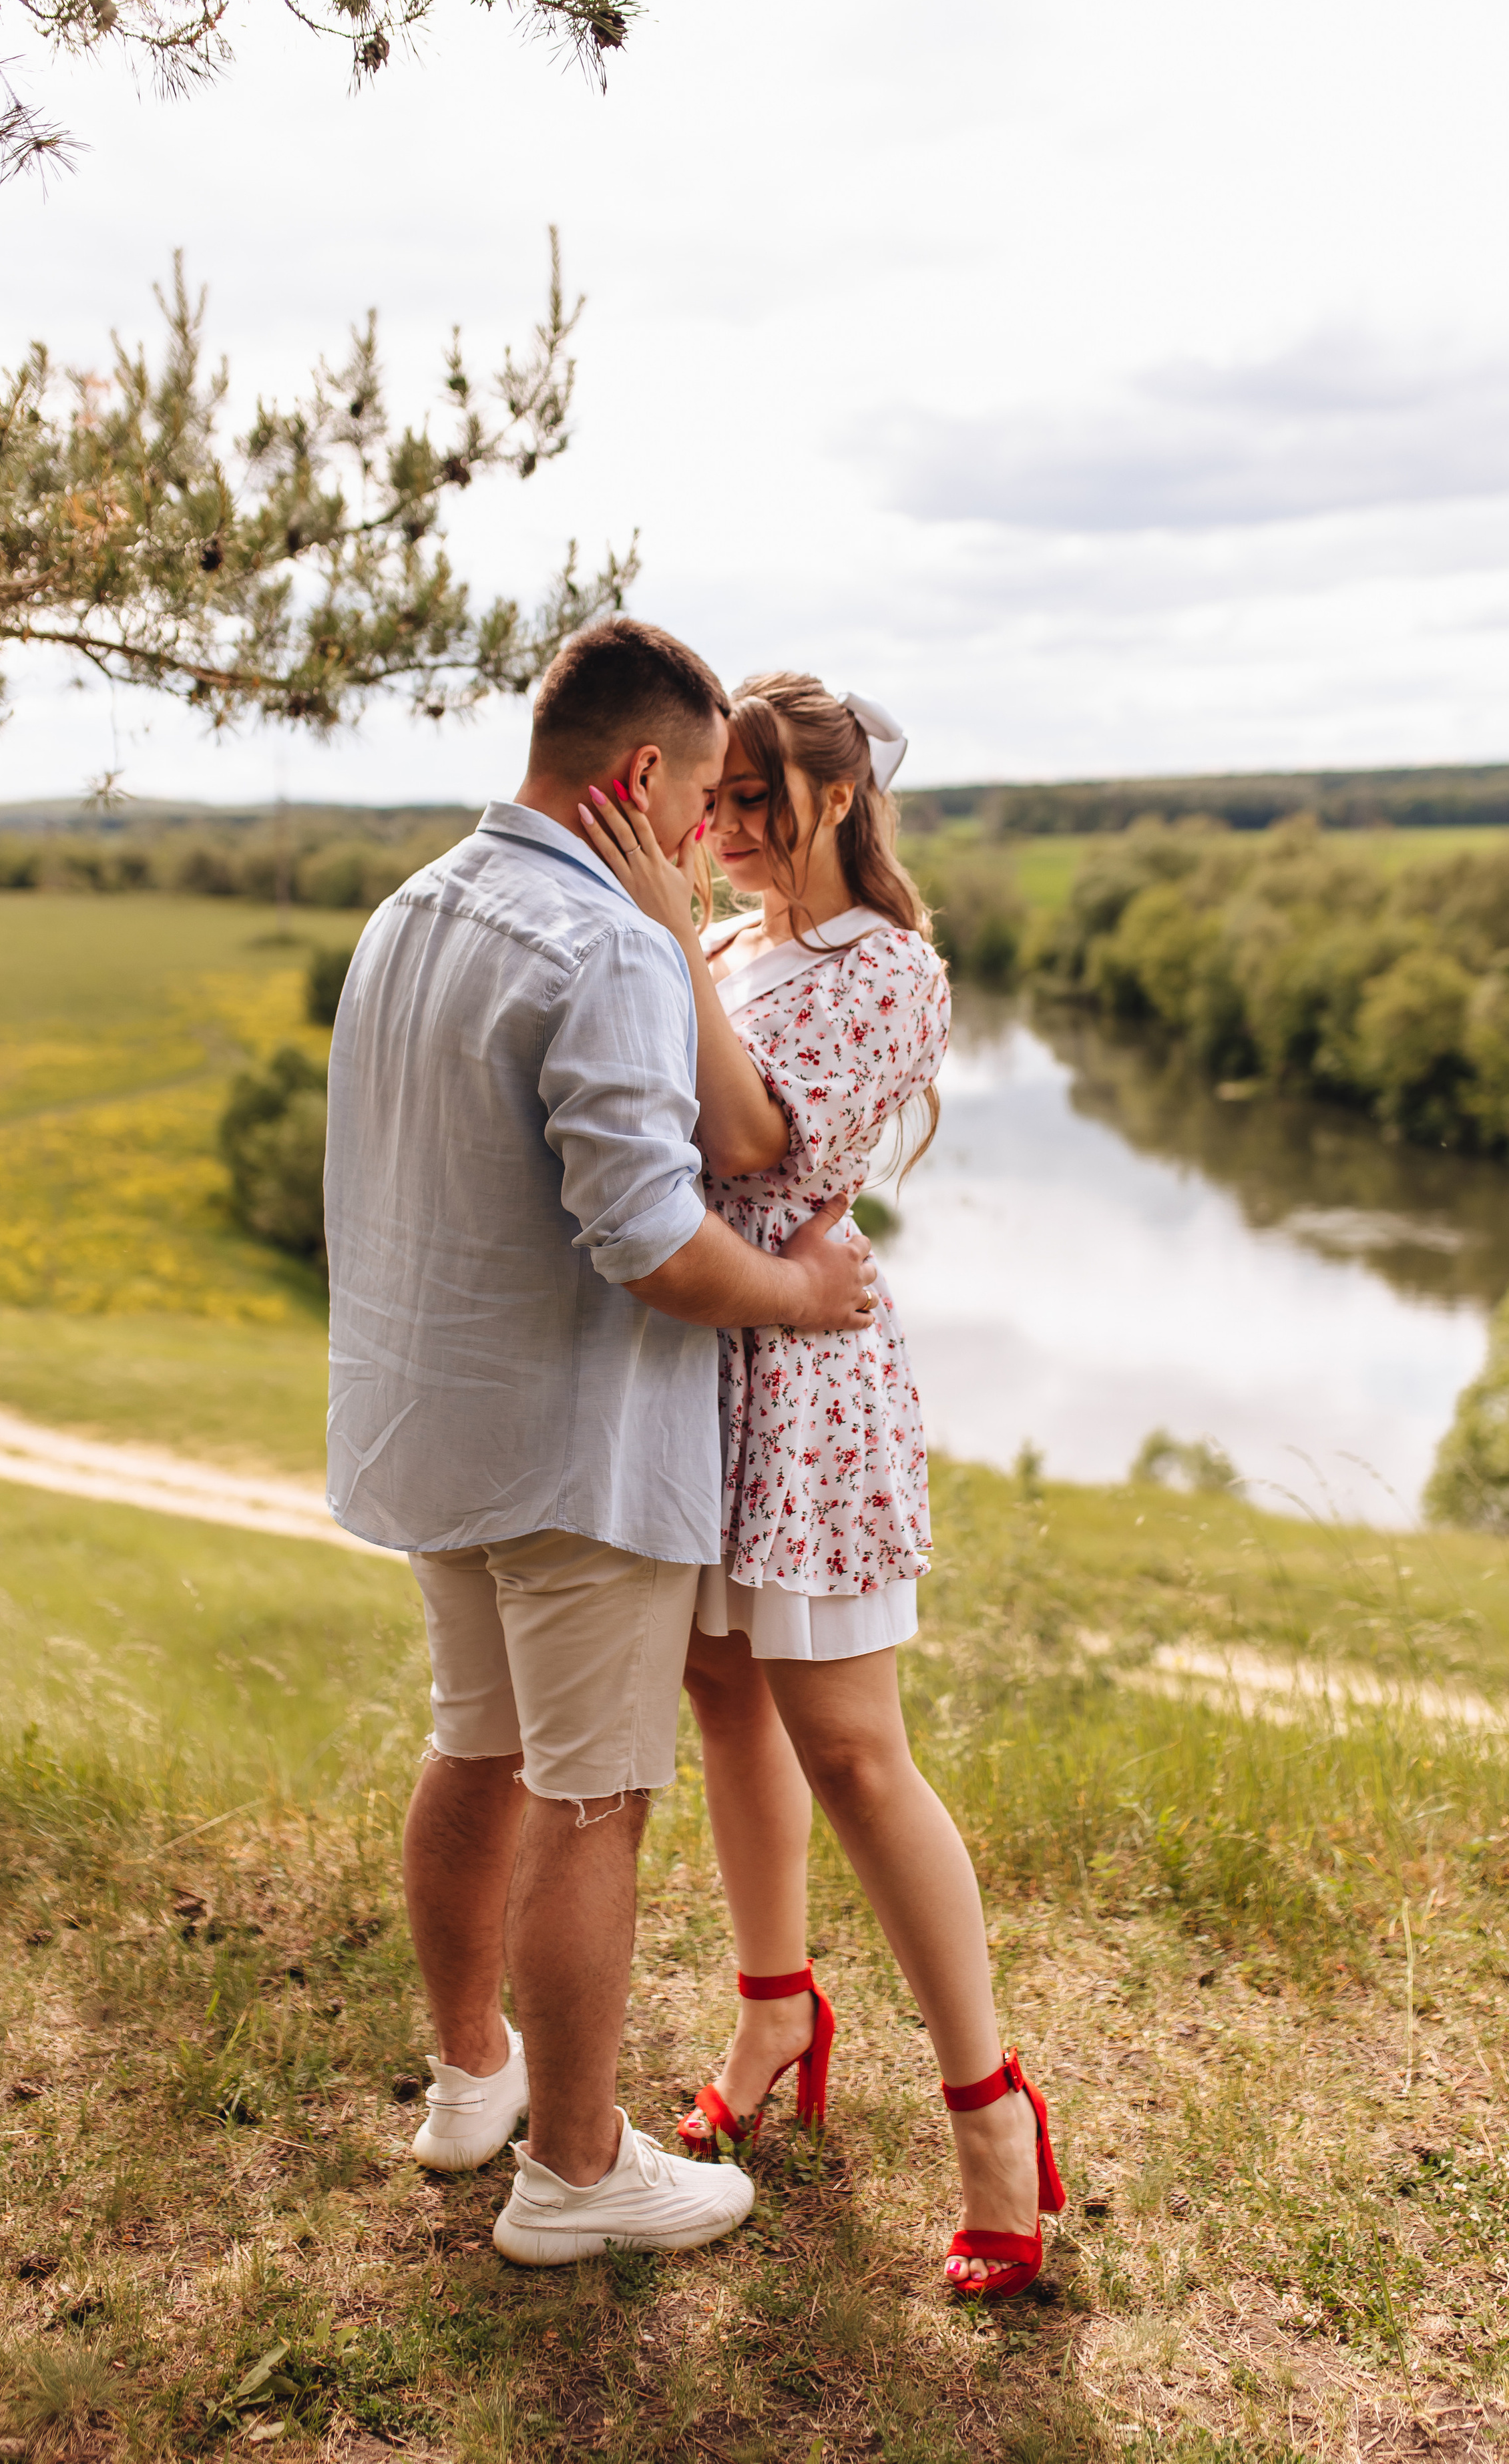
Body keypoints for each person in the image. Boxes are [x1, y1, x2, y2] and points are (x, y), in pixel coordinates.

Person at [322, 618, 879, 2267]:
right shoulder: (611, 946)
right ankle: (573, 2174)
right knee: (593, 1795)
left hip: (434, 1428)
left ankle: (469, 2082)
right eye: (704, 791)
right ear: (639, 776)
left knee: (472, 1745)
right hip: (574, 1455)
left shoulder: (408, 910)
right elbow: (650, 1240)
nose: (711, 830)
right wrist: (800, 1289)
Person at [577, 671, 1066, 2299]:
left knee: (854, 1750)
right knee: (722, 1699)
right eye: (709, 800)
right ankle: (775, 2006)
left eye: (751, 802)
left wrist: (664, 949)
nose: (716, 833)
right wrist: (674, 946)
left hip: (804, 1389)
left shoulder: (893, 971)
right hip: (693, 1368)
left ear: (839, 798)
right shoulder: (720, 941)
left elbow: (754, 1148)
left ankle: (992, 2114)